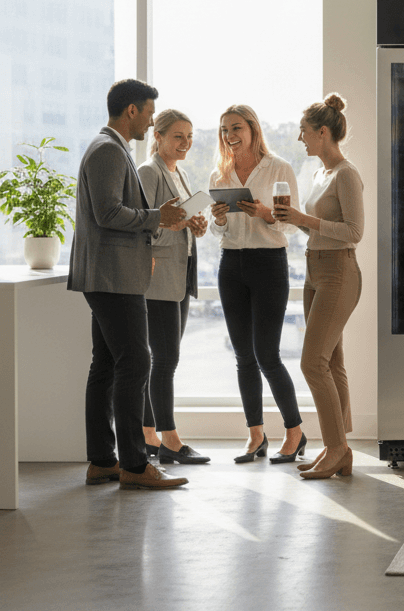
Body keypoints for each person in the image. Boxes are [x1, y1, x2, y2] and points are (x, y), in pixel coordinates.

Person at [68, 78, 188, 490]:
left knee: (106, 365)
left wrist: (158, 216)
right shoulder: (108, 150)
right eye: (150, 114)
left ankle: (103, 461)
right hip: (112, 277)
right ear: (132, 111)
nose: (151, 121)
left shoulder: (110, 148)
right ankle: (135, 466)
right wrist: (158, 217)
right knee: (137, 362)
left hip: (109, 275)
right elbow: (107, 213)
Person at [207, 104, 306, 464]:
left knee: (268, 354)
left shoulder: (279, 167)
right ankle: (256, 436)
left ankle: (295, 432)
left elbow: (292, 225)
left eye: (236, 128)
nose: (229, 136)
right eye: (223, 130)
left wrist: (266, 214)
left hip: (269, 264)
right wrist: (218, 219)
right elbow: (218, 229)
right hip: (231, 264)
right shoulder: (221, 174)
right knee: (243, 356)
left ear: (252, 130)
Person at [274, 94, 363, 479]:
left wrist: (302, 219)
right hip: (314, 270)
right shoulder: (318, 175)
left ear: (323, 132)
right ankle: (338, 449)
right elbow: (315, 225)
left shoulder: (346, 173)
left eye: (304, 132)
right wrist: (289, 218)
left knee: (312, 362)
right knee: (333, 362)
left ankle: (336, 447)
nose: (300, 139)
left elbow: (354, 232)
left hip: (339, 272)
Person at [138, 109, 211, 464]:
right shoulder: (148, 172)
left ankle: (148, 434)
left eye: (190, 136)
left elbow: (175, 220)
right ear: (159, 137)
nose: (186, 143)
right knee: (165, 360)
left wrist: (194, 224)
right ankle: (170, 439)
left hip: (180, 278)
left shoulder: (178, 173)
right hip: (158, 278)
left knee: (163, 360)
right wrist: (179, 224)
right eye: (178, 136)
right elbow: (145, 228)